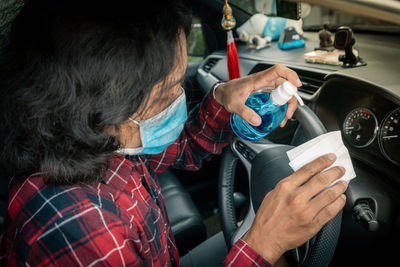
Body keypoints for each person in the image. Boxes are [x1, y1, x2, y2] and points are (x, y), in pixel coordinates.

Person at [0, 0, 348, 266]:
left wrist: (223, 99)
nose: (179, 99)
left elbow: (184, 149)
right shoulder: (80, 232)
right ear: (106, 105)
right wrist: (262, 245)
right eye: (168, 93)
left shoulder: (100, 141)